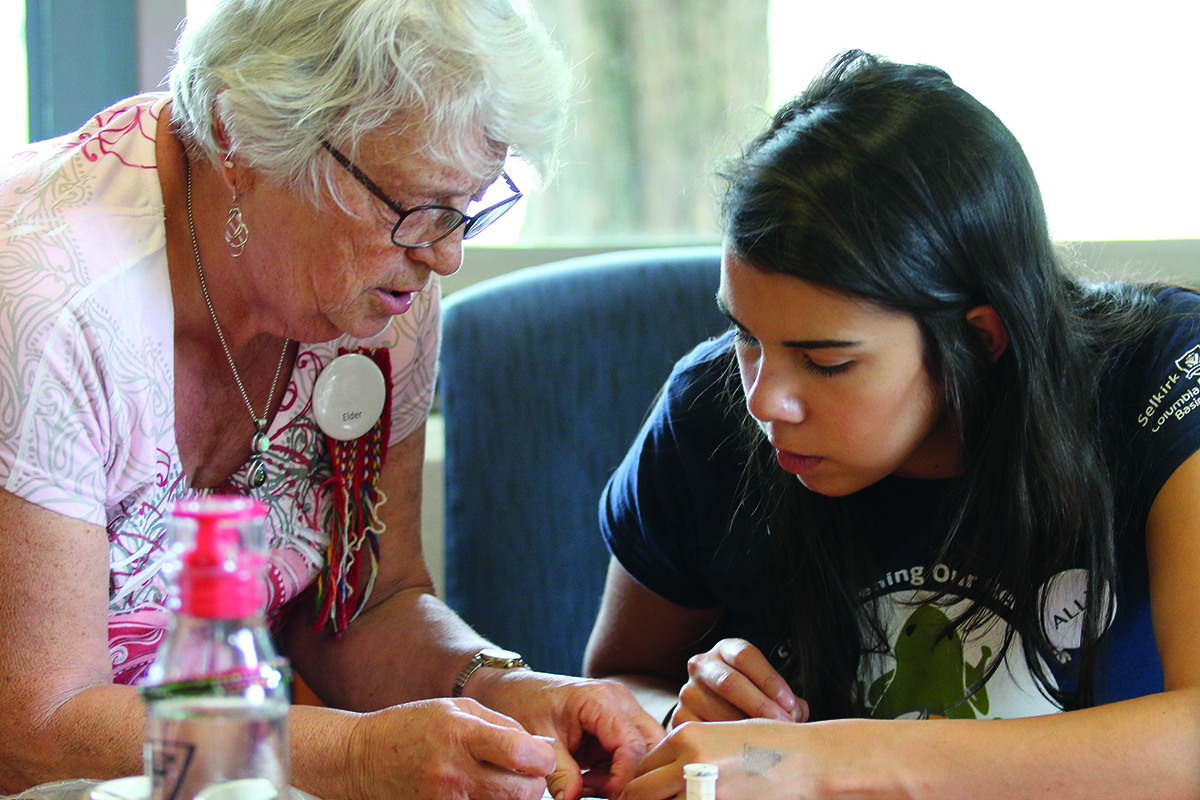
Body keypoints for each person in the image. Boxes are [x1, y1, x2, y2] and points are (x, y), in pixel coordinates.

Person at [0, 2, 662, 799]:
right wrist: (353, 756)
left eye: (467, 210)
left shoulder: (384, 291)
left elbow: (367, 603)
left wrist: (501, 692)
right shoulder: (47, 298)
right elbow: (33, 731)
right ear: (240, 137)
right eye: (418, 206)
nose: (446, 256)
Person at [585, 51, 1200, 799]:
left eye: (827, 363)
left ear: (979, 337)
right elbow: (620, 680)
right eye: (747, 335)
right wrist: (692, 722)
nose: (764, 400)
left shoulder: (1160, 377)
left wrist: (827, 766)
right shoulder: (707, 411)